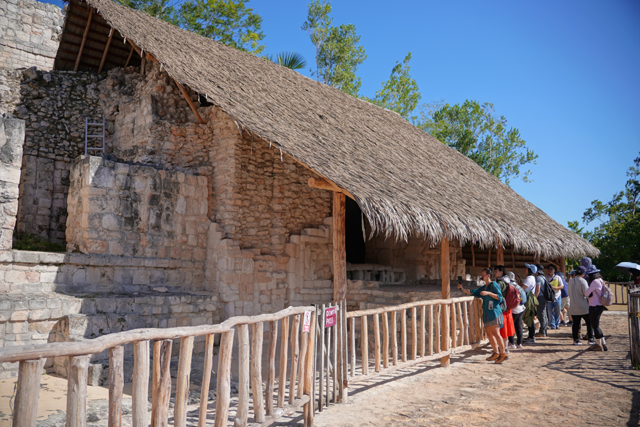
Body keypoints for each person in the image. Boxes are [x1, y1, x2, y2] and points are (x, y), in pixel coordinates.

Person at [458, 268, 507, 363]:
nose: (481, 277)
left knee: (496, 334)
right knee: (489, 334)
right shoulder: (483, 287)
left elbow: (499, 297)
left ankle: (503, 353)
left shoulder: (494, 285)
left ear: (488, 275)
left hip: (494, 313)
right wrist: (462, 289)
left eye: (483, 275)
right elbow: (473, 292)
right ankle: (496, 352)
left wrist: (488, 293)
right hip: (487, 314)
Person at [567, 266, 594, 345]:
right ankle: (590, 339)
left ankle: (576, 340)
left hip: (573, 306)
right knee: (589, 322)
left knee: (575, 323)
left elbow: (569, 292)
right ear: (583, 274)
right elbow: (586, 293)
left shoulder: (570, 281)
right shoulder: (583, 281)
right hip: (583, 305)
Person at [585, 265, 608, 351]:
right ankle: (603, 343)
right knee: (596, 325)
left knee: (595, 326)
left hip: (594, 305)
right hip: (600, 305)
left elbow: (587, 293)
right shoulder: (601, 280)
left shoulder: (594, 282)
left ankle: (598, 344)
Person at [494, 265, 516, 352]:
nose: (495, 273)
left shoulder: (499, 283)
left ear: (501, 272)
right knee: (506, 330)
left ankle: (502, 348)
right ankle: (505, 348)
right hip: (507, 309)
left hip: (501, 309)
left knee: (502, 330)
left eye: (496, 271)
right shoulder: (508, 281)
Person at [507, 271, 525, 349]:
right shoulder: (518, 286)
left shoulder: (509, 286)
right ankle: (519, 343)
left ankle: (511, 343)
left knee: (511, 326)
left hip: (513, 309)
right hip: (521, 308)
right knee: (519, 326)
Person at [522, 263, 538, 343]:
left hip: (528, 299)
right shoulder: (532, 278)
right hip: (529, 298)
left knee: (529, 317)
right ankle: (531, 336)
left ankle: (531, 336)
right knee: (529, 317)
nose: (525, 270)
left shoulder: (529, 278)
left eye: (526, 268)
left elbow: (522, 288)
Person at [545, 264, 564, 330]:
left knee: (557, 311)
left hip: (557, 296)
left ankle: (556, 324)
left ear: (554, 270)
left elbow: (562, 286)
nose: (550, 270)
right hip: (549, 297)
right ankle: (552, 325)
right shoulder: (545, 277)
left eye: (551, 269)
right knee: (550, 312)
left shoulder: (558, 277)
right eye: (549, 269)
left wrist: (555, 288)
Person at [534, 263, 549, 337]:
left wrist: (534, 299)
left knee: (541, 314)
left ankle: (542, 331)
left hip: (540, 297)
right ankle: (544, 330)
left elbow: (537, 290)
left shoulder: (539, 278)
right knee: (544, 314)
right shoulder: (543, 277)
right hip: (544, 297)